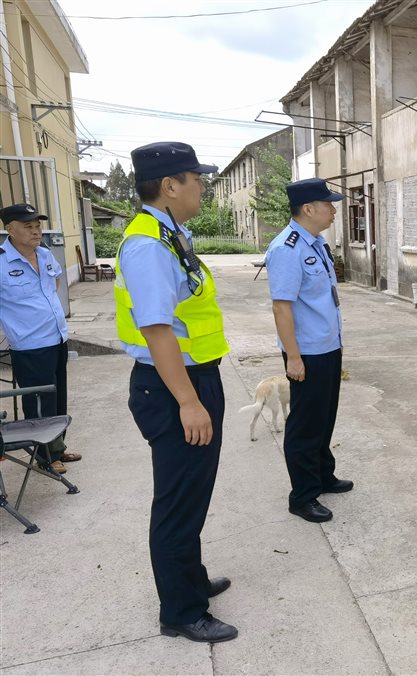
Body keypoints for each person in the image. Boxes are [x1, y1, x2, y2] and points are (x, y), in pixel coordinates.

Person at [116, 142, 237, 642]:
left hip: (193, 379)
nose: (202, 188)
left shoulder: (169, 235)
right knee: (176, 501)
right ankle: (181, 612)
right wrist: (189, 401)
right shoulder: (147, 245)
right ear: (170, 185)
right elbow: (157, 331)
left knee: (194, 493)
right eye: (197, 179)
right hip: (172, 387)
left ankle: (192, 579)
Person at [265, 178, 351, 523]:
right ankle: (302, 495)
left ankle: (322, 475)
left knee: (324, 416)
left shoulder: (314, 243)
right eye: (328, 204)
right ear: (308, 209)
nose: (333, 210)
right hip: (307, 352)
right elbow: (281, 308)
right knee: (304, 424)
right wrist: (294, 357)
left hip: (328, 345)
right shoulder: (287, 249)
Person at [0, 204, 80, 474]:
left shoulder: (44, 254)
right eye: (28, 226)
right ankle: (44, 456)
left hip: (57, 338)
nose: (36, 232)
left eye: (38, 226)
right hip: (30, 346)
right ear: (9, 229)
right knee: (37, 403)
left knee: (57, 398)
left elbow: (54, 284)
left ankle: (57, 447)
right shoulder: (1, 262)